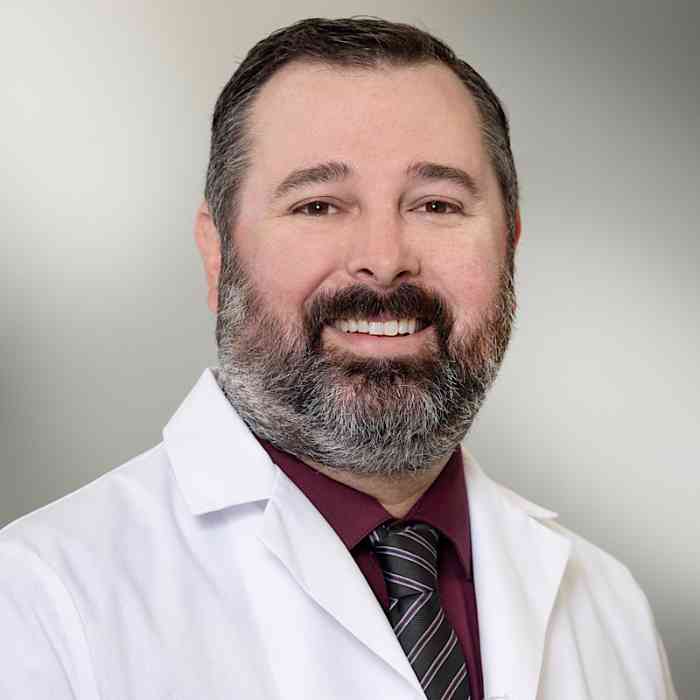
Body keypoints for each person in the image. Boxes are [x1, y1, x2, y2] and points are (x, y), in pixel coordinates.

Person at [0, 16, 677, 700]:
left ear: (511, 244)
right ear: (217, 252)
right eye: (318, 205)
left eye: (436, 204)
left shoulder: (610, 608)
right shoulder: (38, 602)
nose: (383, 260)